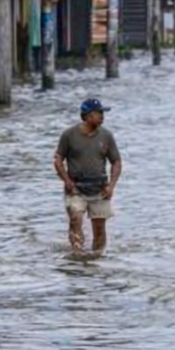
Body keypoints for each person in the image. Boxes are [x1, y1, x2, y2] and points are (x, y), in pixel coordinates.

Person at [53, 98, 122, 255]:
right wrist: (67, 180)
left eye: (103, 113)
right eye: (99, 113)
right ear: (87, 116)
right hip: (76, 189)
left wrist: (111, 186)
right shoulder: (69, 135)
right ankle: (77, 254)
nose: (102, 116)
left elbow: (116, 162)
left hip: (100, 189)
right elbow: (58, 159)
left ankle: (97, 258)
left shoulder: (107, 136)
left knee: (99, 227)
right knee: (76, 219)